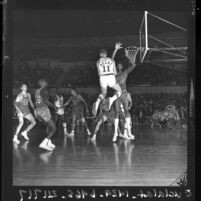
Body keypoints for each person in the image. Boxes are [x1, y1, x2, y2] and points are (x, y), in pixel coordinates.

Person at [92, 43, 123, 117]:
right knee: (119, 91)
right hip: (111, 77)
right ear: (106, 54)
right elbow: (115, 72)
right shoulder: (112, 60)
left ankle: (97, 103)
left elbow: (99, 73)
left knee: (103, 94)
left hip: (102, 77)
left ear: (100, 55)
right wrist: (115, 49)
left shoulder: (98, 62)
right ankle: (111, 100)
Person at [114, 48, 137, 140]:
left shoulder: (125, 72)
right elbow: (111, 60)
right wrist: (115, 51)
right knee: (118, 113)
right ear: (116, 67)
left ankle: (128, 133)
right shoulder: (114, 73)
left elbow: (134, 65)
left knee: (126, 111)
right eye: (117, 65)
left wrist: (128, 56)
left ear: (122, 66)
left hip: (124, 93)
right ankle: (118, 133)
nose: (119, 66)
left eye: (120, 65)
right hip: (117, 93)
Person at [35, 79, 56, 151]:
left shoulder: (37, 91)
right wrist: (54, 106)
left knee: (48, 126)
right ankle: (43, 144)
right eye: (45, 82)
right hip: (43, 111)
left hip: (37, 112)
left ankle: (49, 143)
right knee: (53, 129)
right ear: (42, 83)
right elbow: (46, 101)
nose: (46, 83)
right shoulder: (44, 90)